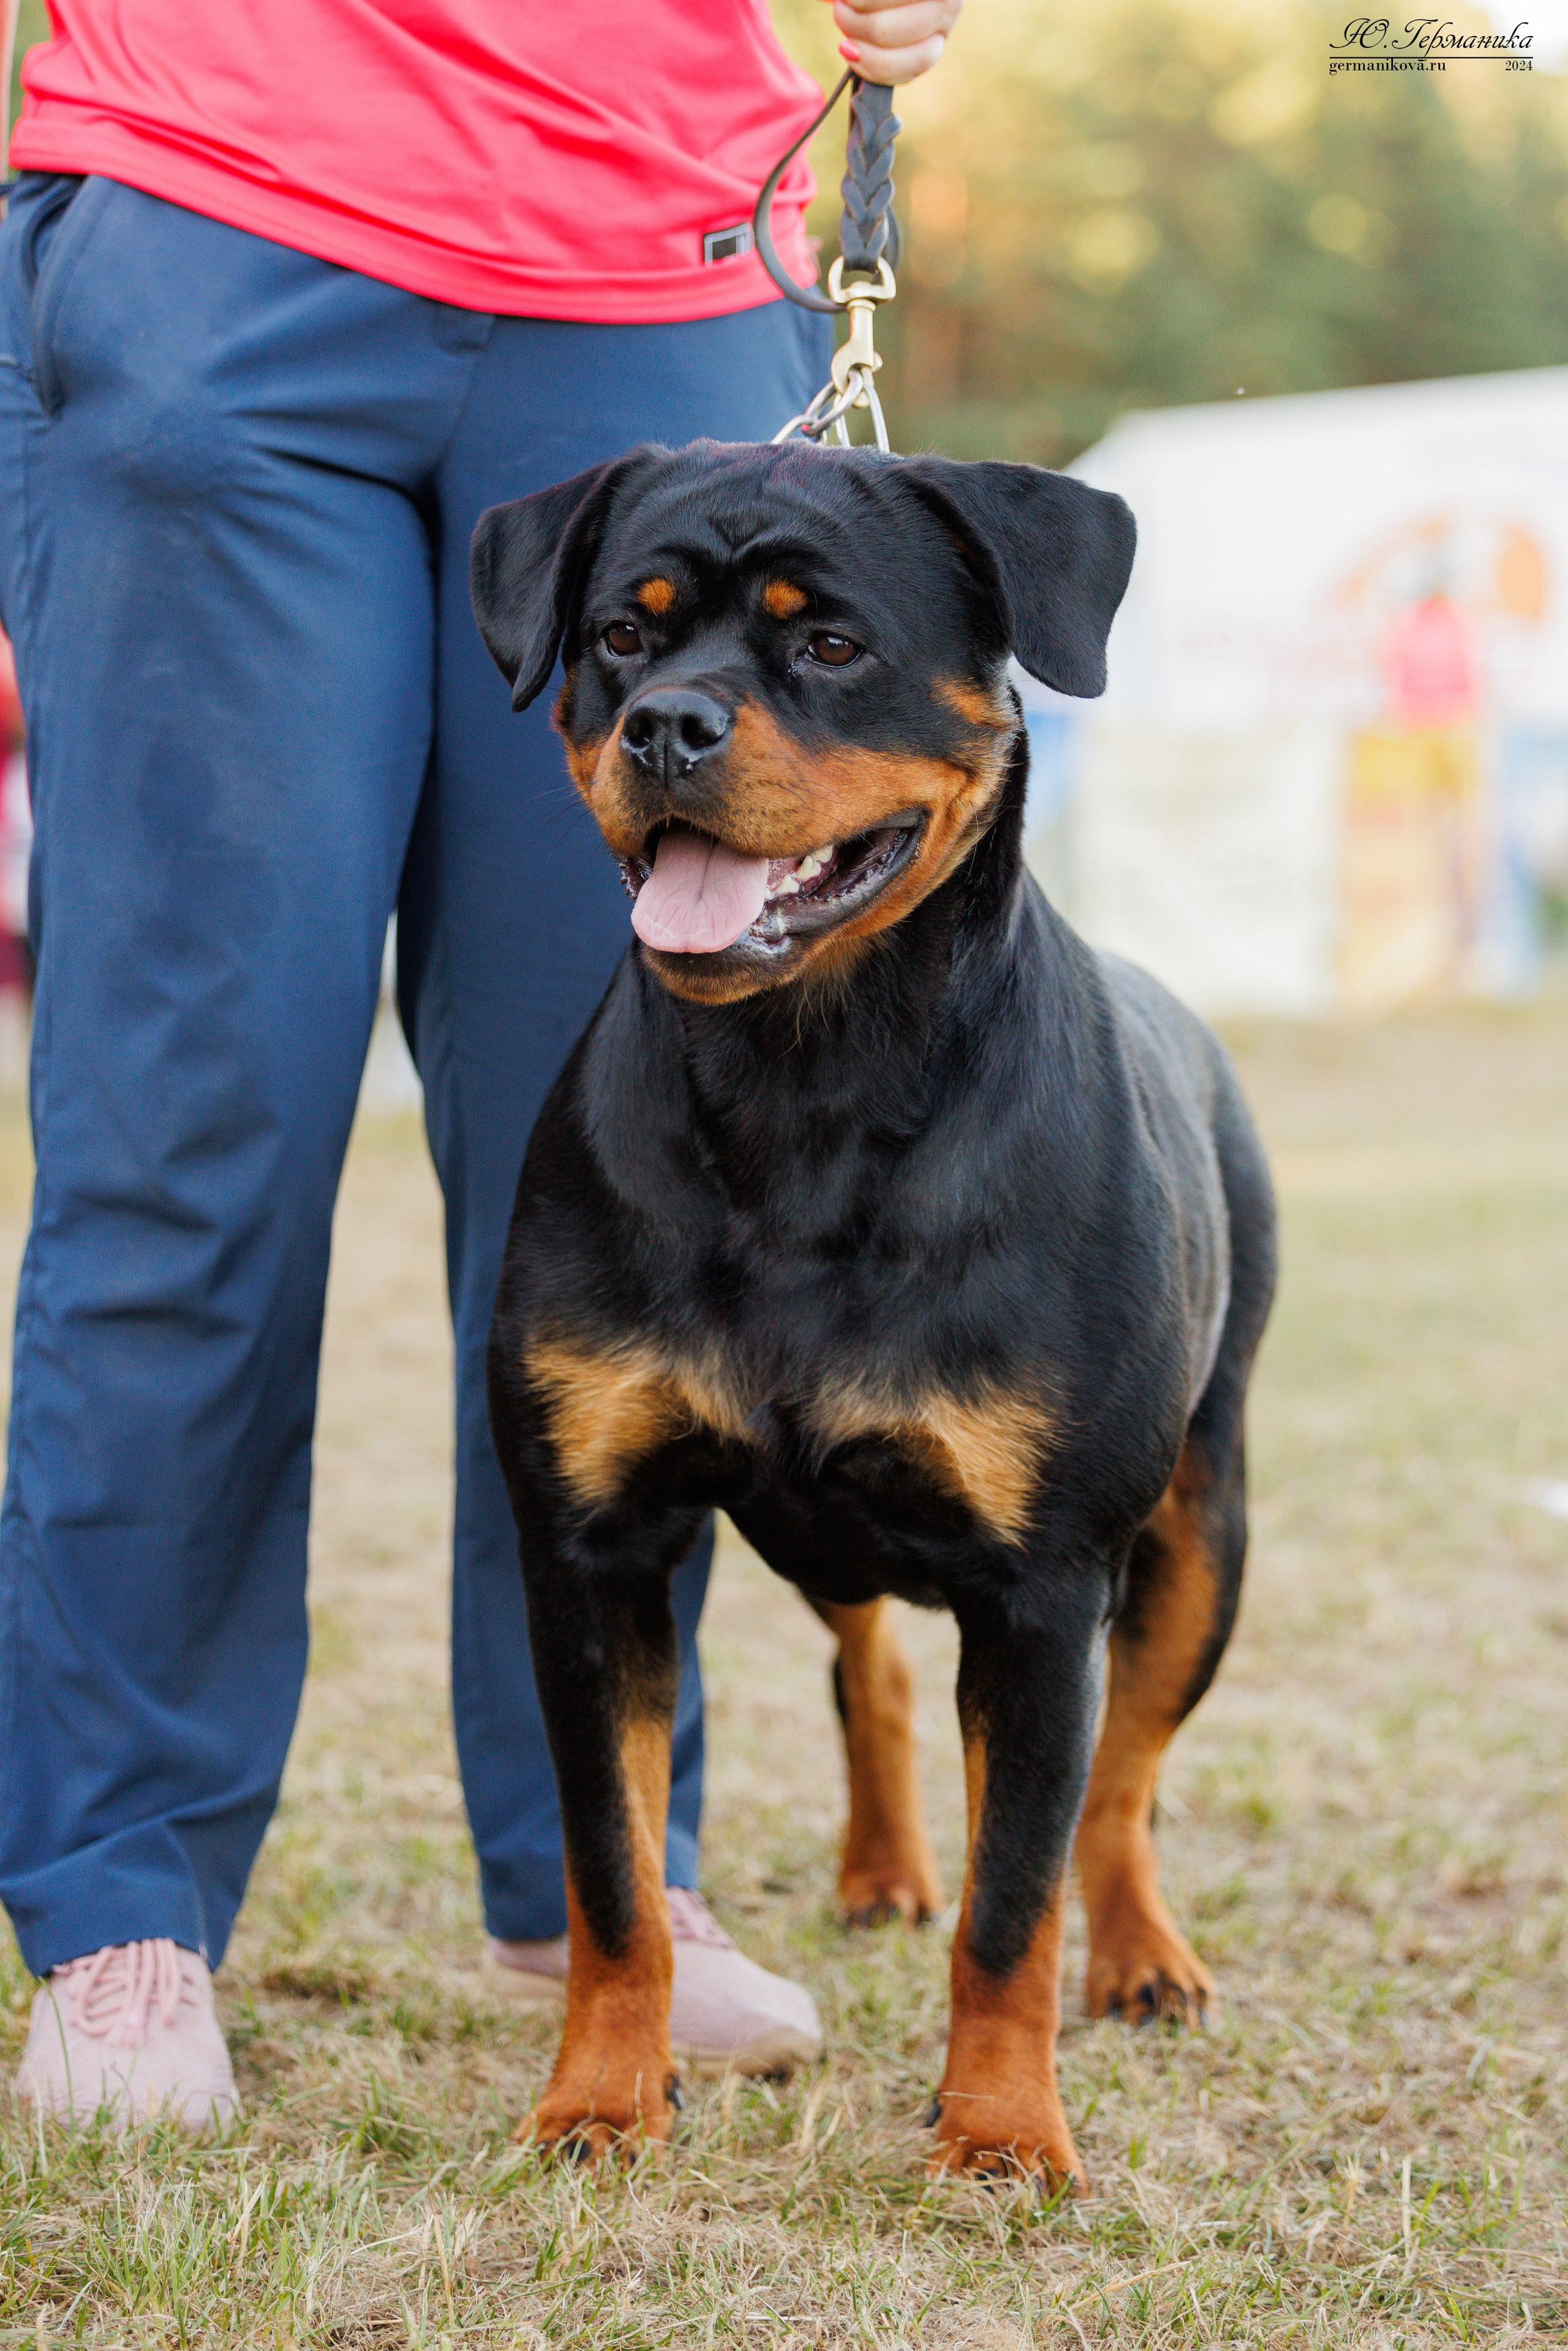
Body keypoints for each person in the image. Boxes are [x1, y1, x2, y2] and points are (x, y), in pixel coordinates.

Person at [0, 0, 963, 2128]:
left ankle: (598, 1870)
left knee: (627, 1173)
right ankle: (117, 1897)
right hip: (222, 222)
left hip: (670, 271)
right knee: (189, 1135)